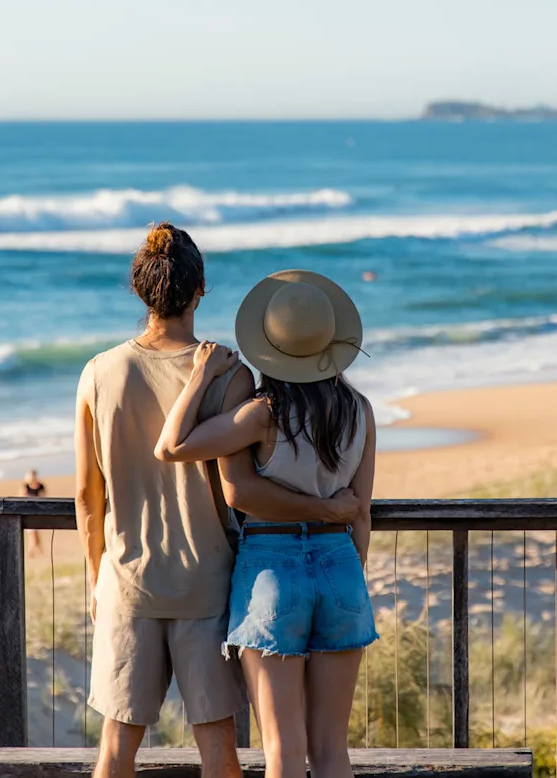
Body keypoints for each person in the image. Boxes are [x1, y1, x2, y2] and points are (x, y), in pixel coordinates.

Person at [73, 225, 360, 778]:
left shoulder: (98, 373)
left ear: (138, 291)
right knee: (218, 751)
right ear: (200, 288)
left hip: (127, 582)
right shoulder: (230, 375)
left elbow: (89, 497)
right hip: (207, 581)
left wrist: (96, 576)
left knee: (114, 750)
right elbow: (238, 489)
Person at [154, 270, 377, 778]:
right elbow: (358, 508)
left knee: (281, 751)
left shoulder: (263, 413)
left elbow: (171, 446)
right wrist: (349, 567)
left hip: (270, 571)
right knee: (330, 752)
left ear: (270, 348)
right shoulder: (359, 411)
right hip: (341, 566)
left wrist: (199, 378)